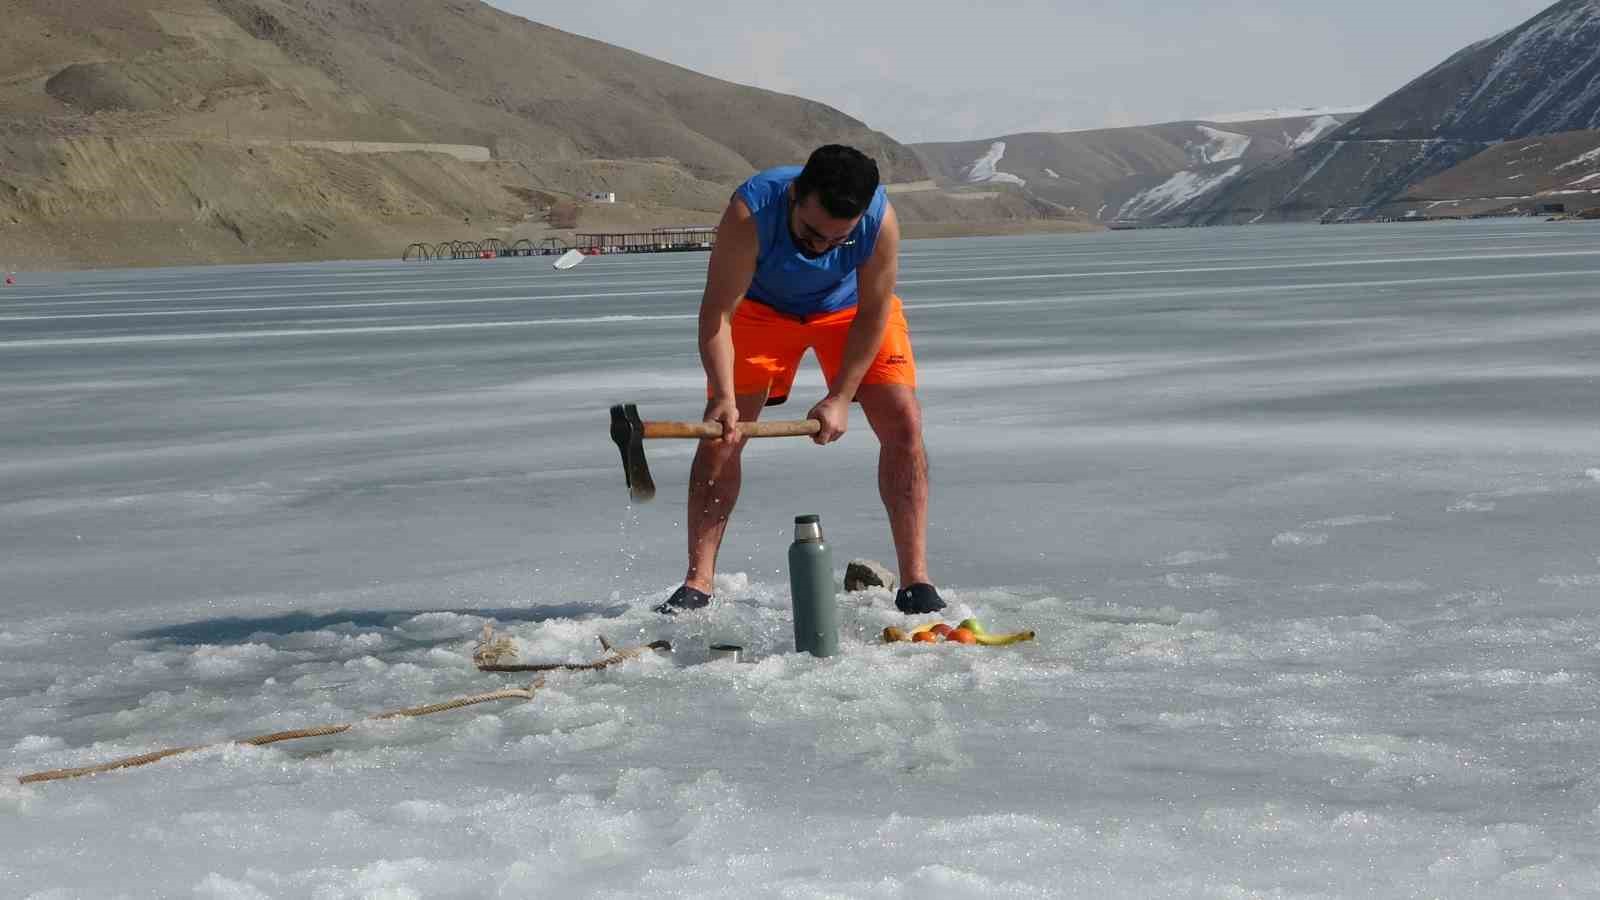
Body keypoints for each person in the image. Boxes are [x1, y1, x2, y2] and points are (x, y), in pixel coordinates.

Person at [655, 144, 945, 616]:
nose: (821, 248)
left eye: (837, 241)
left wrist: (840, 396)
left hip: (847, 311)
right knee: (720, 436)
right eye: (812, 233)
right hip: (759, 312)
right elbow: (717, 314)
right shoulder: (751, 212)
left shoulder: (880, 221)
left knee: (904, 421)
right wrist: (724, 396)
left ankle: (916, 582)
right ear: (794, 196)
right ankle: (698, 581)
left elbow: (874, 314)